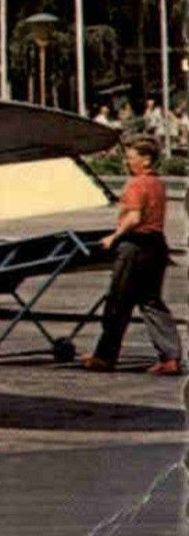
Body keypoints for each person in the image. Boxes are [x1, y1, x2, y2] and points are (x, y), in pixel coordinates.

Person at [82, 134, 182, 375]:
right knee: (151, 301)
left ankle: (104, 357)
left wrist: (113, 237)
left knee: (117, 301)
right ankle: (171, 357)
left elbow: (134, 218)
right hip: (156, 245)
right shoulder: (157, 184)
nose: (128, 162)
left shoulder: (136, 184)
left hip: (134, 246)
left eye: (132, 158)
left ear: (146, 160)